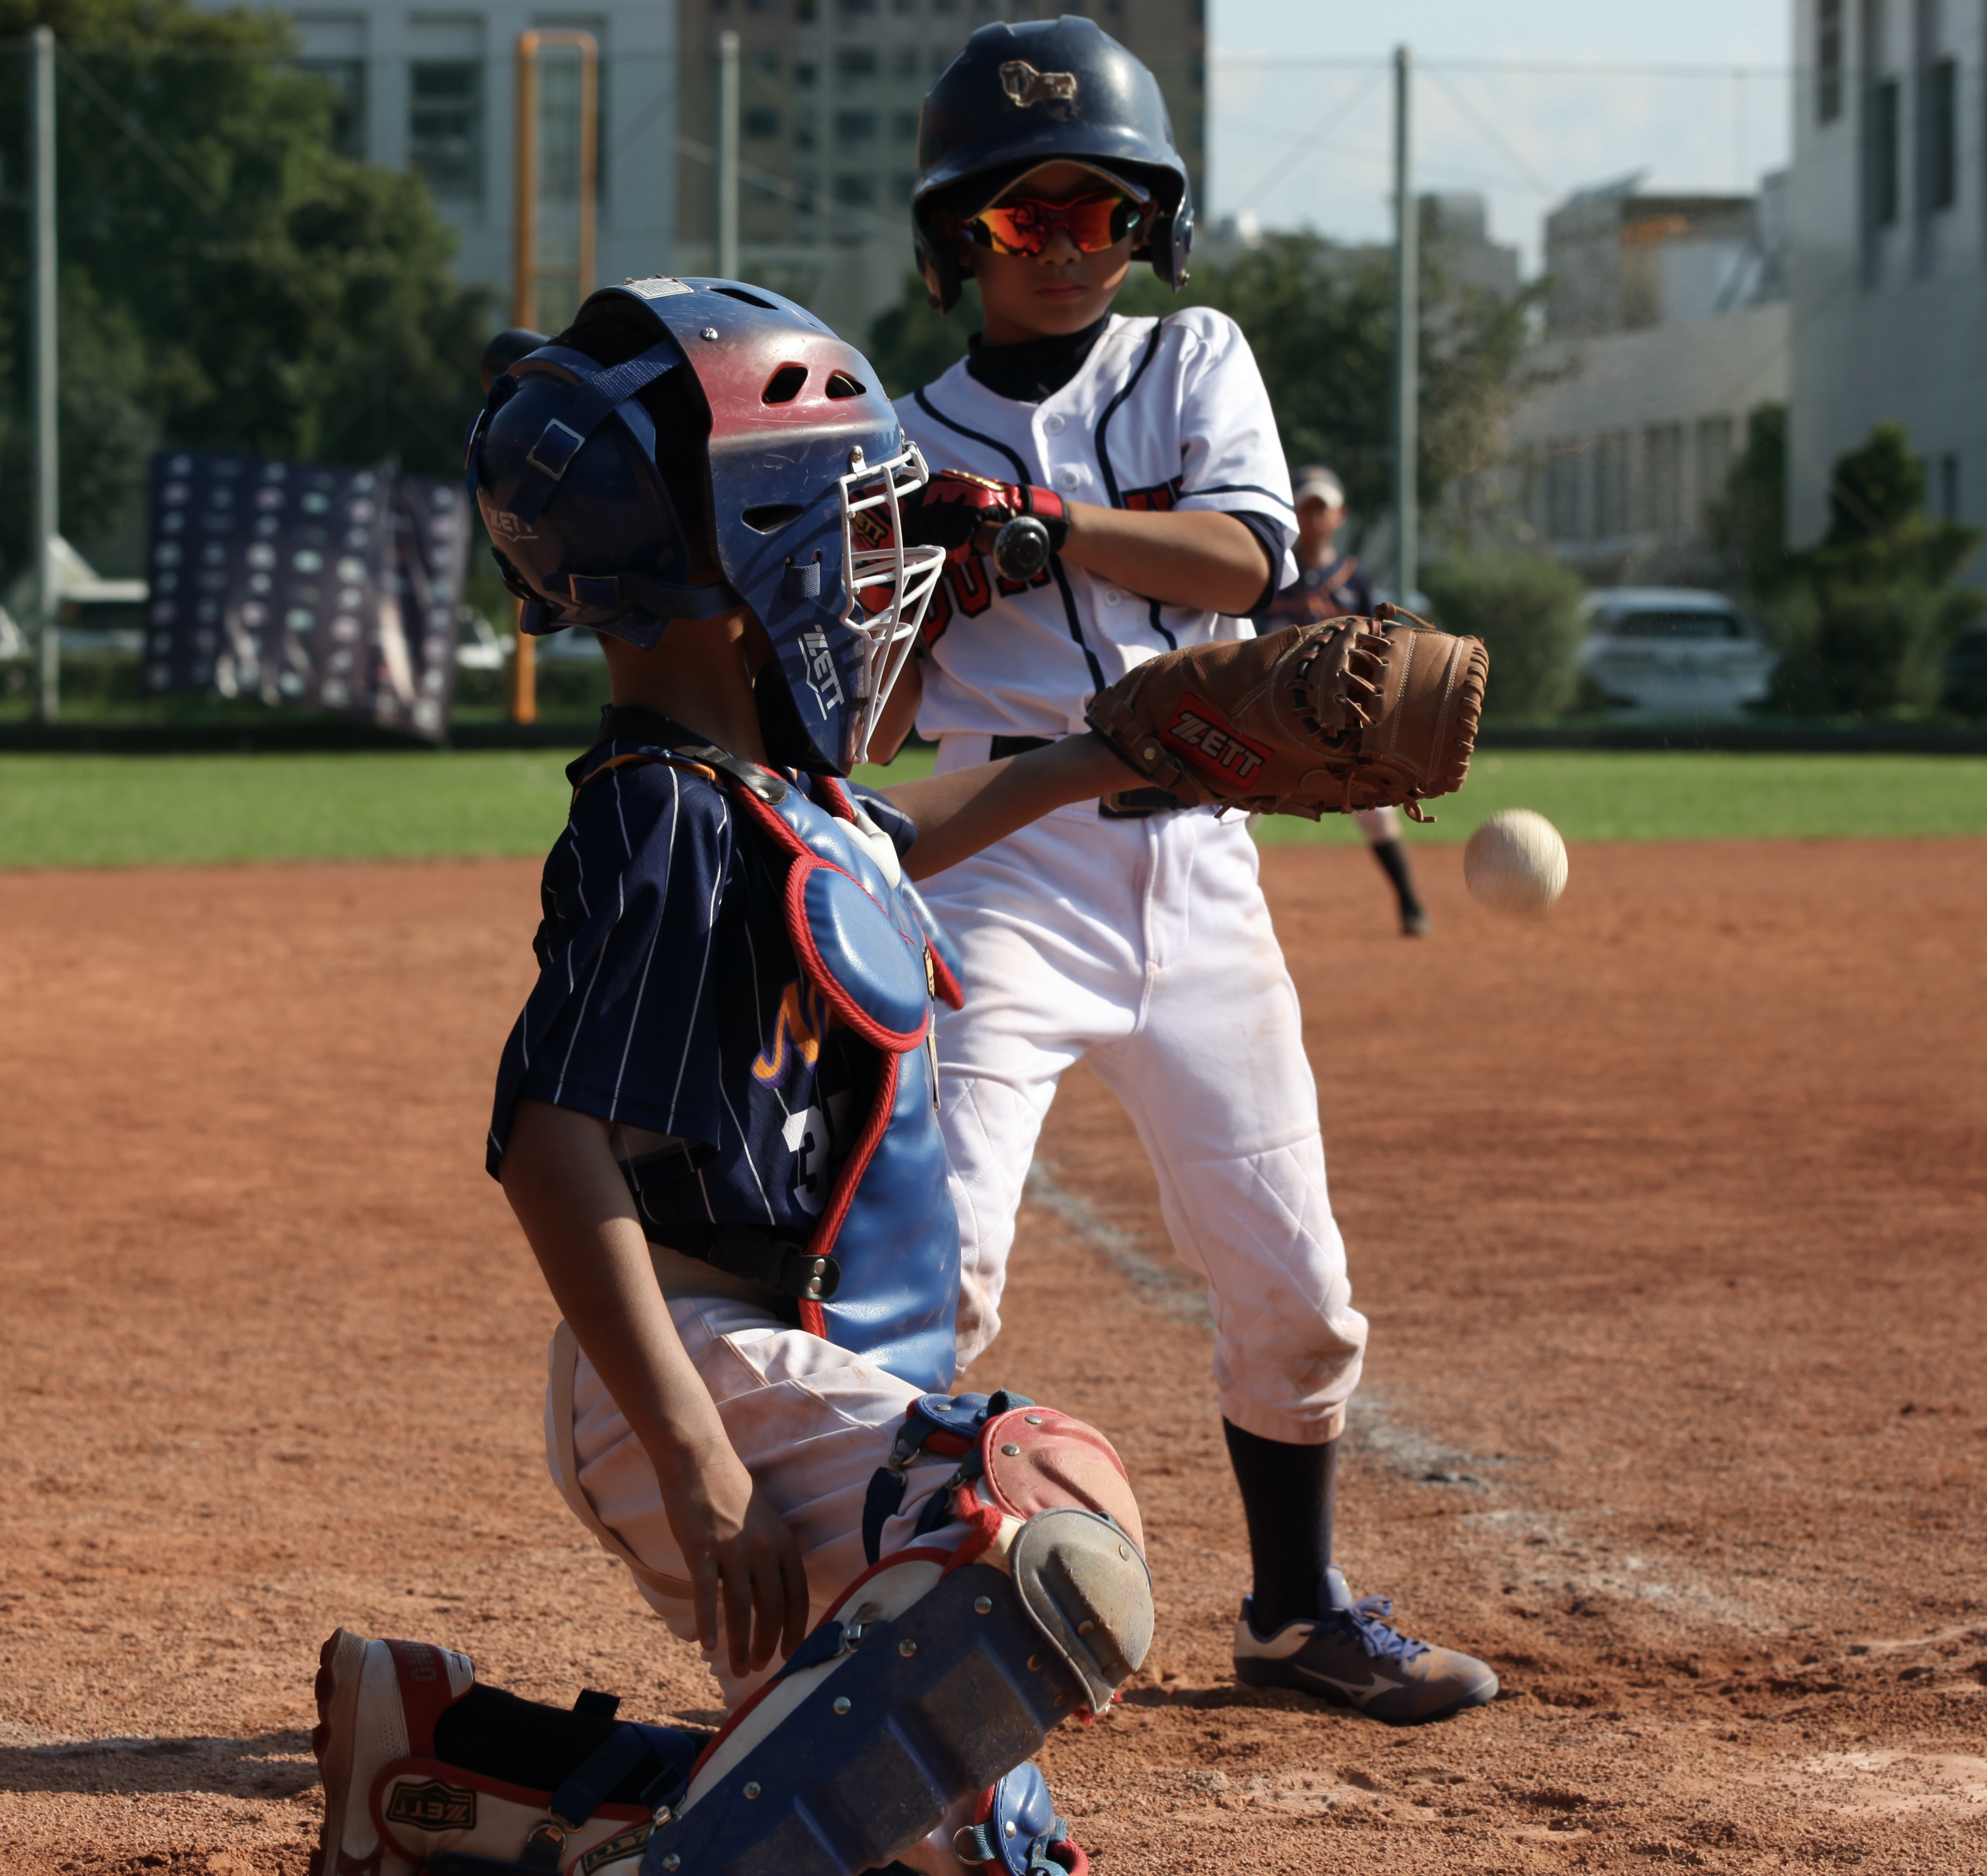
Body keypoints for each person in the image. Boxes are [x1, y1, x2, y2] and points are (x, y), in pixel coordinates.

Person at [305, 279, 1165, 1876]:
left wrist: (1112, 753)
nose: (872, 564)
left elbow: (887, 843)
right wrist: (696, 1456)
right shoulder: (660, 811)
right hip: (703, 1374)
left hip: (777, 1371)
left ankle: (446, 1770)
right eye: (842, 524)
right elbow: (548, 1140)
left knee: (945, 1830)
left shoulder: (768, 790)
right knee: (1039, 1508)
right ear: (736, 568)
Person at [879, 18, 1496, 1726]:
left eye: (1099, 210)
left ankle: (1295, 1616)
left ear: (1148, 225)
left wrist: (1047, 532)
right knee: (946, 1272)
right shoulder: (895, 439)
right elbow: (880, 720)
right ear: (955, 242)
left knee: (1294, 1285)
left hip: (1201, 865)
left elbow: (1245, 555)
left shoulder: (1189, 357)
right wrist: (926, 571)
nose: (1065, 246)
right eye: (1022, 216)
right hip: (998, 876)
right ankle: (862, 1632)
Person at [1256, 464, 1430, 936]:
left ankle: (1411, 905)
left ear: (1340, 516)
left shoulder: (1354, 577)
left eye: (1322, 508)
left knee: (1376, 814)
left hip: (1345, 720)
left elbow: (1383, 648)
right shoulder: (1271, 575)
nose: (1314, 517)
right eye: (1305, 507)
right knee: (1242, 814)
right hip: (1278, 718)